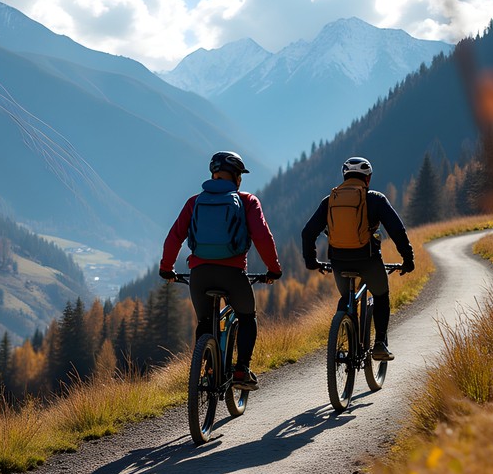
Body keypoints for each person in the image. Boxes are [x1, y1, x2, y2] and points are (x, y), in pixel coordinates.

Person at [160, 151, 282, 390]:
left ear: (213, 175)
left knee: (205, 323)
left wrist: (167, 269)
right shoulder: (247, 201)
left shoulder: (195, 201)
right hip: (233, 274)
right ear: (237, 178)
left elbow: (174, 236)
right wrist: (273, 269)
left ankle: (206, 370)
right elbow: (262, 237)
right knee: (247, 317)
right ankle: (241, 370)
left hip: (200, 275)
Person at [301, 156, 414, 361]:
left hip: (339, 261)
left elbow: (308, 232)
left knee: (347, 298)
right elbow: (397, 230)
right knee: (380, 295)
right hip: (368, 260)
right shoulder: (376, 199)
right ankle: (379, 343)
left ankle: (344, 330)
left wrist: (311, 261)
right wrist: (408, 259)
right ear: (368, 179)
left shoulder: (330, 201)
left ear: (345, 176)